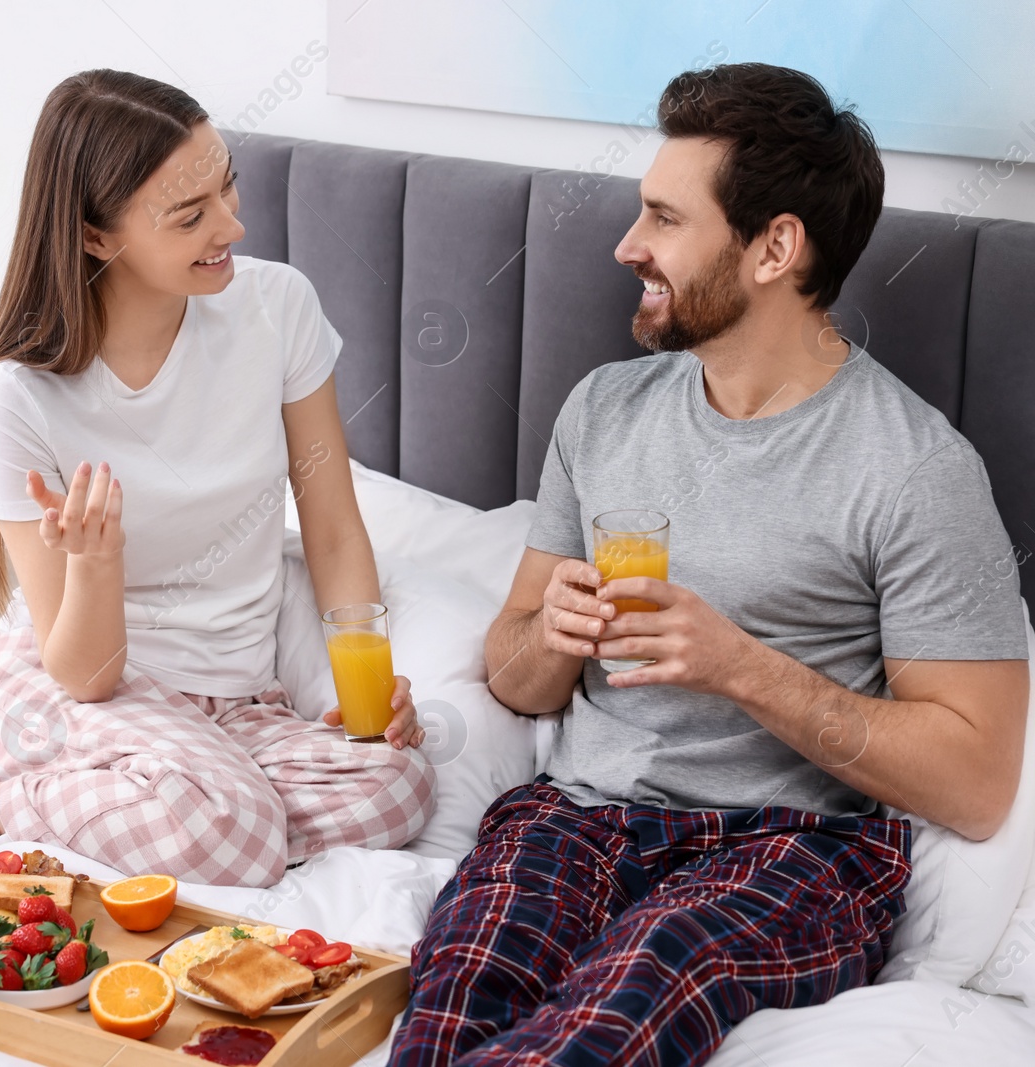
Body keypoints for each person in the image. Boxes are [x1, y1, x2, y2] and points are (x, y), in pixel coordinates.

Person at [391, 62, 1029, 1066]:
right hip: (575, 817)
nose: (626, 246)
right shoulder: (602, 410)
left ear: (775, 246)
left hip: (793, 848)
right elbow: (515, 678)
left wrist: (739, 665)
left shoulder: (915, 469)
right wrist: (549, 634)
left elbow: (976, 780)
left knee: (613, 1019)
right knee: (447, 1007)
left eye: (663, 219)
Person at [0, 70, 436, 889]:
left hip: (237, 701)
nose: (233, 225)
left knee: (396, 785)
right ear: (94, 236)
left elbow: (330, 526)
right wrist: (96, 561)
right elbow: (83, 673)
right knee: (237, 826)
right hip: (81, 696)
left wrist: (373, 679)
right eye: (192, 215)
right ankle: (7, 802)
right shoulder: (16, 398)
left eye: (227, 189)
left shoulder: (276, 308)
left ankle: (195, 805)